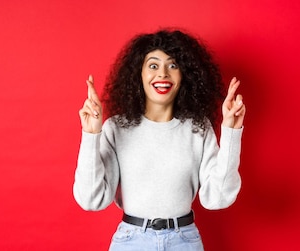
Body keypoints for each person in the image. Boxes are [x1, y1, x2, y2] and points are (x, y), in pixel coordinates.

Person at [73, 28, 246, 251]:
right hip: (131, 242)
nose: (163, 73)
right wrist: (90, 135)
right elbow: (91, 200)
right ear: (139, 74)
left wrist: (231, 131)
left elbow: (218, 198)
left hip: (184, 242)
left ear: (185, 75)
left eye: (173, 65)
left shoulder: (198, 129)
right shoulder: (116, 128)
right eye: (153, 65)